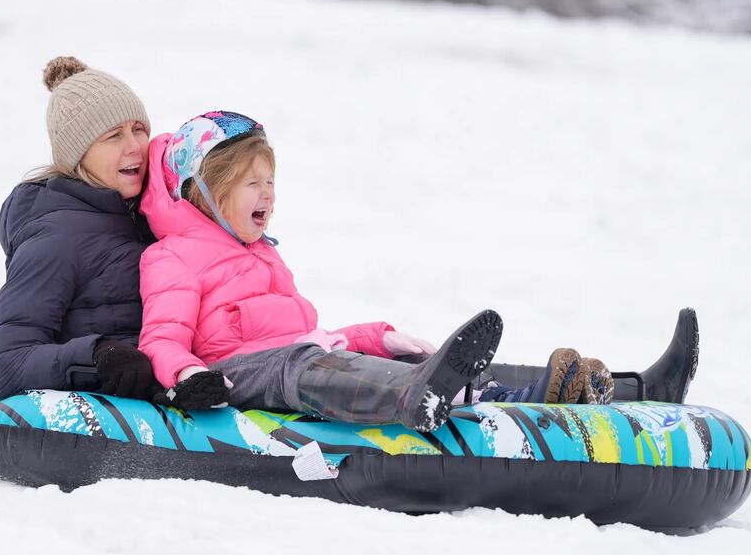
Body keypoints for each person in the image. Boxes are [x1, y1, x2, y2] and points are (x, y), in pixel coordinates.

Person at [137, 112, 683, 432]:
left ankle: (629, 388)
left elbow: (304, 338)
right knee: (300, 362)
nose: (269, 195)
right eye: (252, 183)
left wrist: (374, 337)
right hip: (234, 376)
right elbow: (162, 338)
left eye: (271, 181)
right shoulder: (173, 257)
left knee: (396, 355)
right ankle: (413, 397)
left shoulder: (263, 255)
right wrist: (188, 376)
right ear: (203, 193)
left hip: (295, 361)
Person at [0, 56, 162, 403]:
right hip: (121, 403)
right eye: (114, 136)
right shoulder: (56, 238)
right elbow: (6, 362)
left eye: (138, 129)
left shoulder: (156, 216)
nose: (134, 146)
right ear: (77, 154)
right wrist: (98, 356)